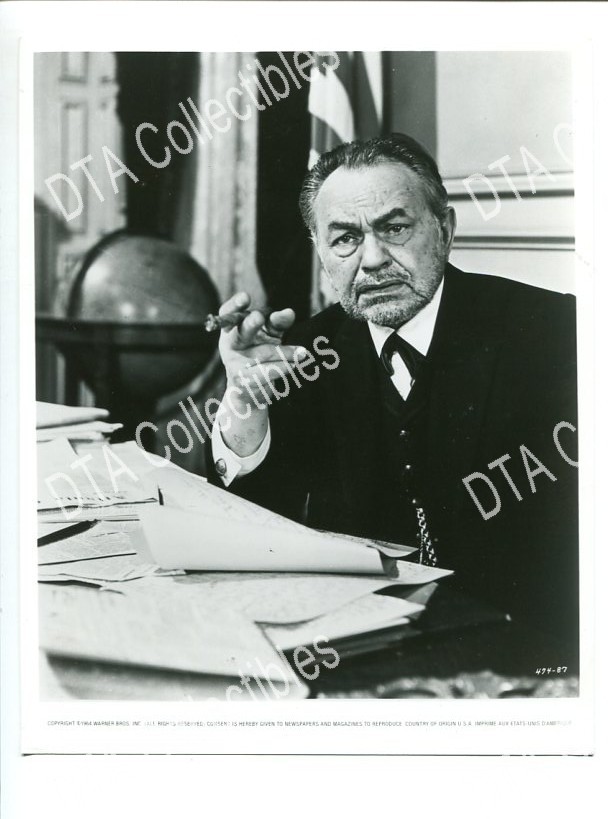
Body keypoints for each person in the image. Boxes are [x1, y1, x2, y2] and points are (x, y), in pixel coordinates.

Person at [207, 133, 578, 656]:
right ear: (321, 253)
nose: (373, 259)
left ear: (445, 229)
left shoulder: (553, 331)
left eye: (395, 228)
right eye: (345, 238)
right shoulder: (304, 352)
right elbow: (253, 527)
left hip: (523, 643)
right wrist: (245, 404)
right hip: (358, 644)